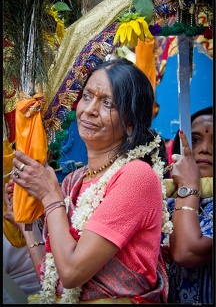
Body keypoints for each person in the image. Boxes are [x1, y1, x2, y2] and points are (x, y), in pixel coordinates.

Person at [4, 58, 169, 304]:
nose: (89, 109)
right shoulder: (74, 182)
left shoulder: (137, 176)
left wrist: (50, 195)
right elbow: (55, 281)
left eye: (107, 103)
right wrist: (26, 227)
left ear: (132, 124)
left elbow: (71, 273)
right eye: (87, 96)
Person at [165, 106, 213, 304]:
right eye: (195, 139)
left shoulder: (184, 190)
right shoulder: (164, 200)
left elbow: (187, 252)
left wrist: (188, 186)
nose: (205, 149)